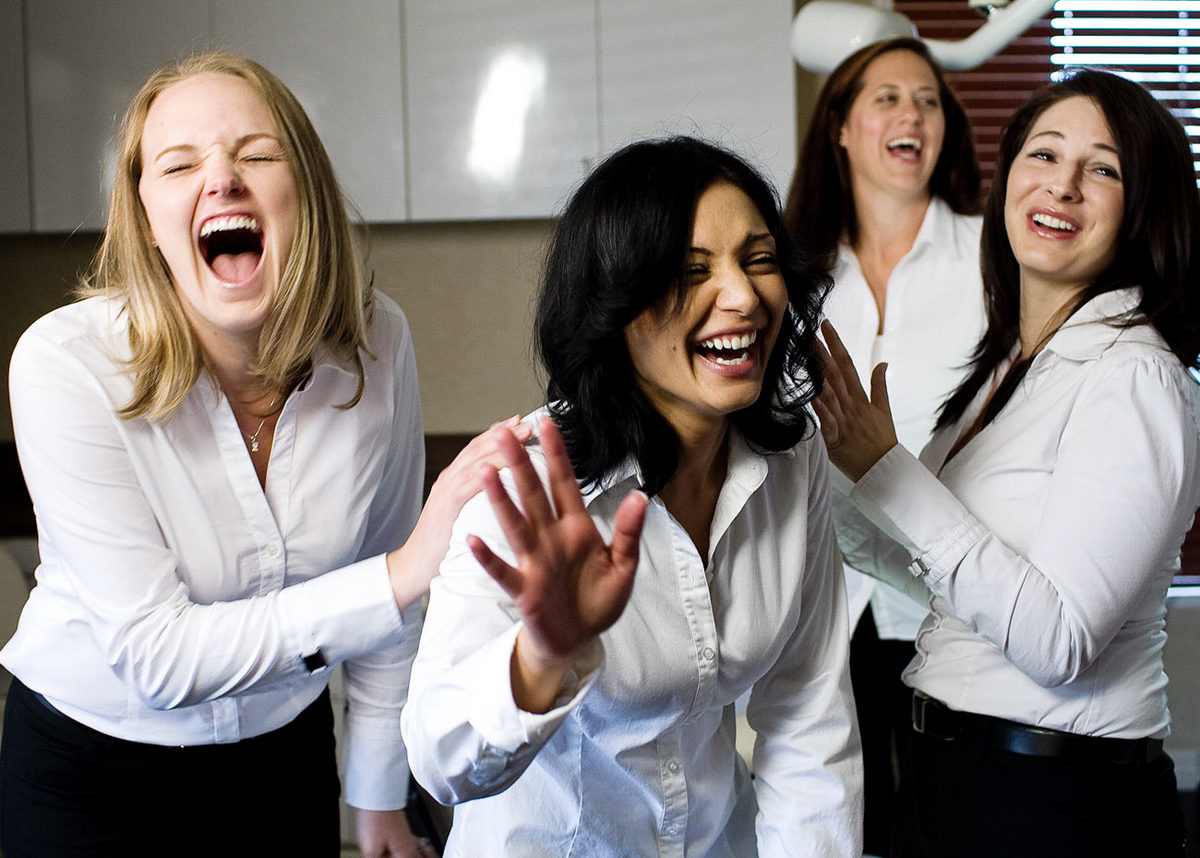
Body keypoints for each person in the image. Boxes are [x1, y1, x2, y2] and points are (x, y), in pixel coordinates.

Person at [0, 51, 528, 858]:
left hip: (286, 758)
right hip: (89, 776)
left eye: (255, 153)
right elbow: (159, 658)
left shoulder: (378, 340)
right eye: (179, 165)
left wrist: (377, 797)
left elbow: (389, 607)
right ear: (146, 218)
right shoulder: (63, 363)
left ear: (304, 189)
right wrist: (398, 575)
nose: (221, 179)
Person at [400, 136, 863, 856]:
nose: (743, 297)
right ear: (612, 305)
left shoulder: (791, 458)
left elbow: (809, 720)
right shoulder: (528, 485)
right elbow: (439, 760)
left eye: (759, 259)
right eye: (690, 271)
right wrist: (541, 657)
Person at [816, 68, 1200, 858]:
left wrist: (889, 470)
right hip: (952, 777)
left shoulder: (1134, 377)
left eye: (1103, 169)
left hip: (1054, 799)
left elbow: (1059, 643)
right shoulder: (1006, 369)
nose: (1062, 185)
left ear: (1144, 208)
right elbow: (945, 584)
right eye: (1044, 154)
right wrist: (825, 475)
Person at [783, 37, 984, 856]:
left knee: (949, 822)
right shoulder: (792, 275)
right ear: (839, 125)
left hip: (955, 599)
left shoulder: (993, 257)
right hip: (823, 596)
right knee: (836, 816)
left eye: (929, 100)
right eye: (889, 97)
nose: (913, 114)